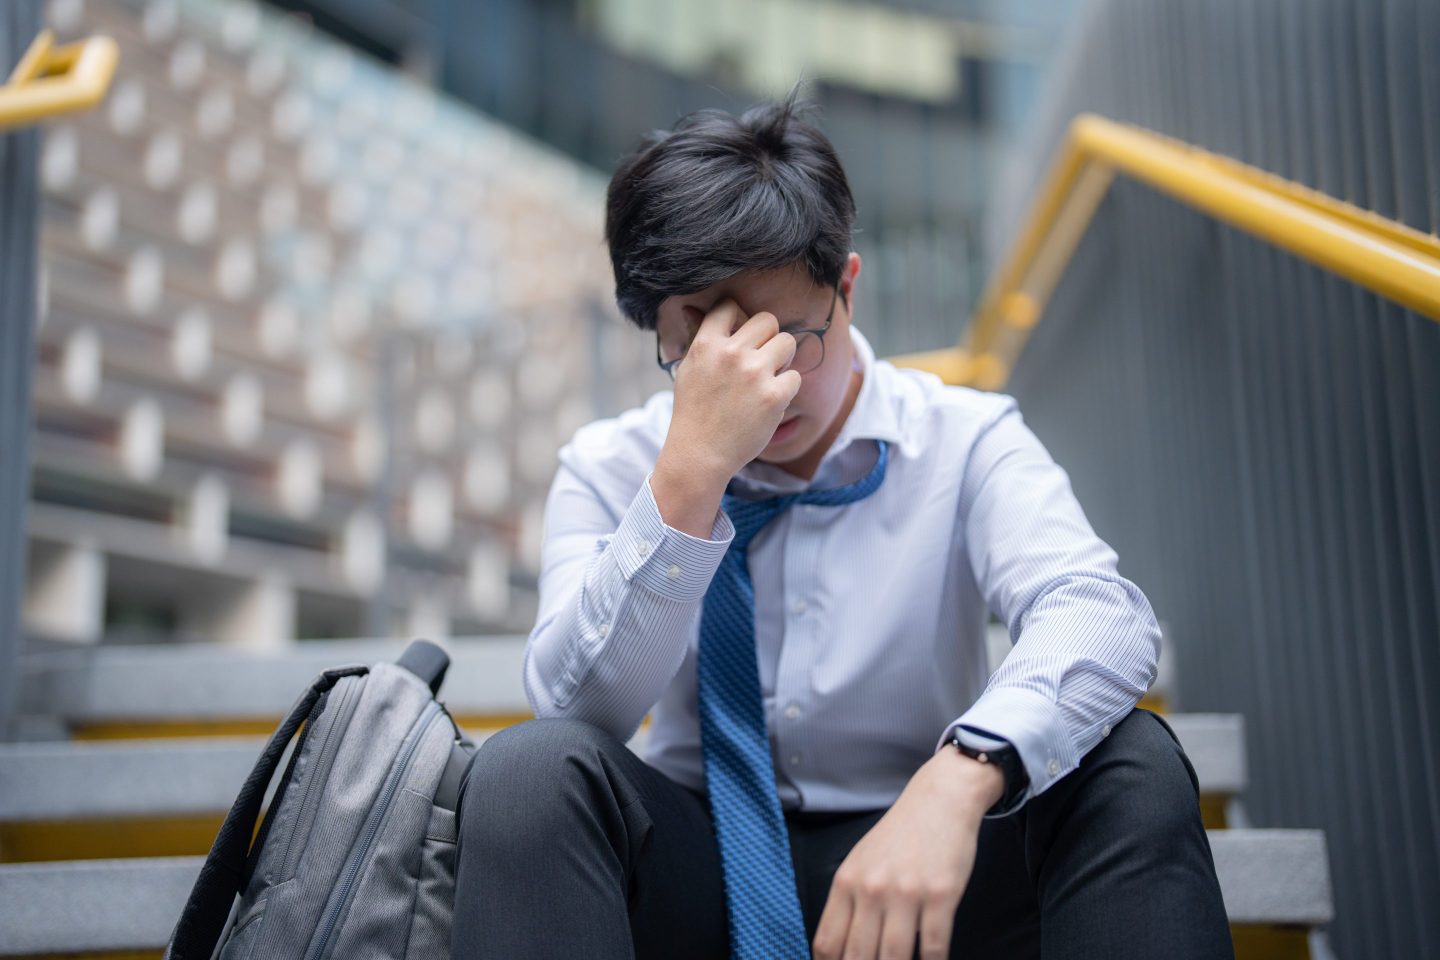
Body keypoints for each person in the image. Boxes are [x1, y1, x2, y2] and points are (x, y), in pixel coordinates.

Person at [450, 93, 1233, 960]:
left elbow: (1102, 614)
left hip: (928, 858)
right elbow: (574, 710)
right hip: (695, 865)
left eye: (789, 336)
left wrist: (960, 779)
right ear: (655, 327)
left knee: (1131, 763)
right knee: (526, 775)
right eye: (708, 348)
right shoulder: (610, 466)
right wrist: (690, 477)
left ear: (847, 288)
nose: (765, 383)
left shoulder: (964, 440)